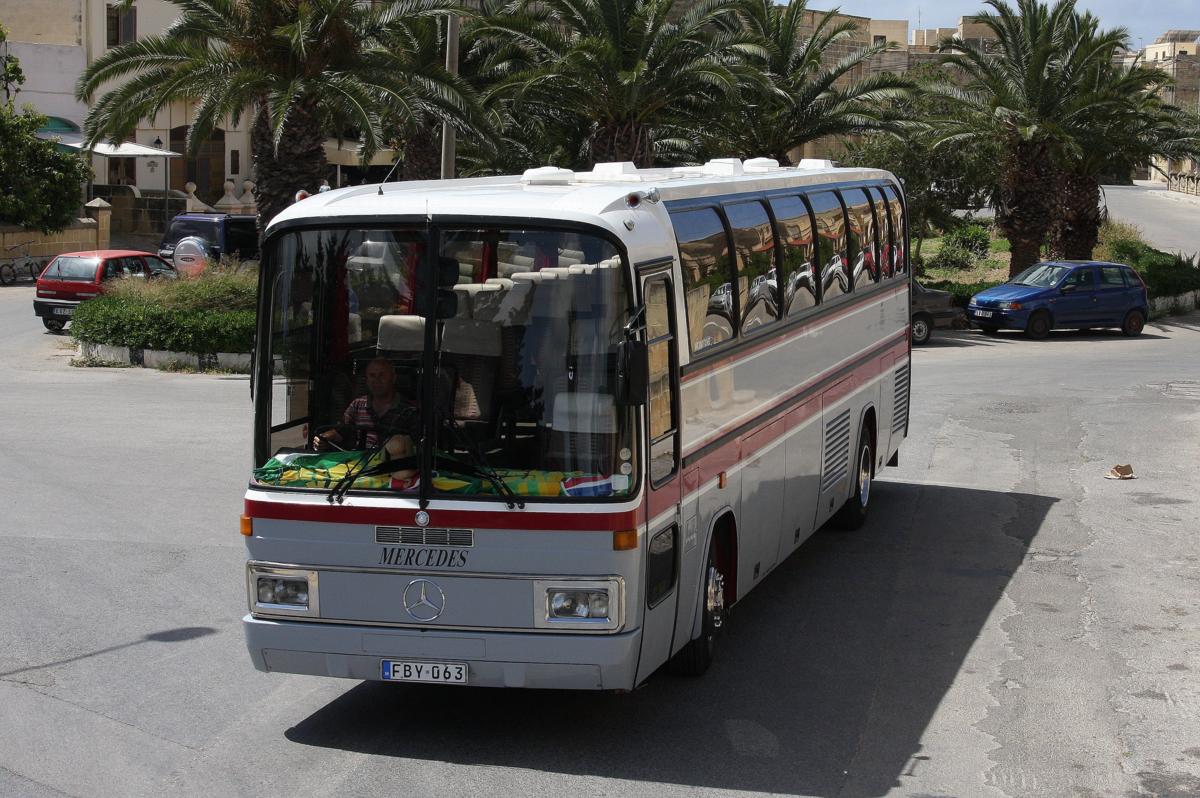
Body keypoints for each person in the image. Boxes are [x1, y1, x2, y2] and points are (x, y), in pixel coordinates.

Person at [313, 357, 417, 454]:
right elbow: (340, 431)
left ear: (393, 378)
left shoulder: (409, 411)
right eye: (372, 375)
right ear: (367, 380)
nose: (377, 380)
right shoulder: (357, 404)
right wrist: (323, 438)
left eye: (382, 375)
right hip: (360, 463)